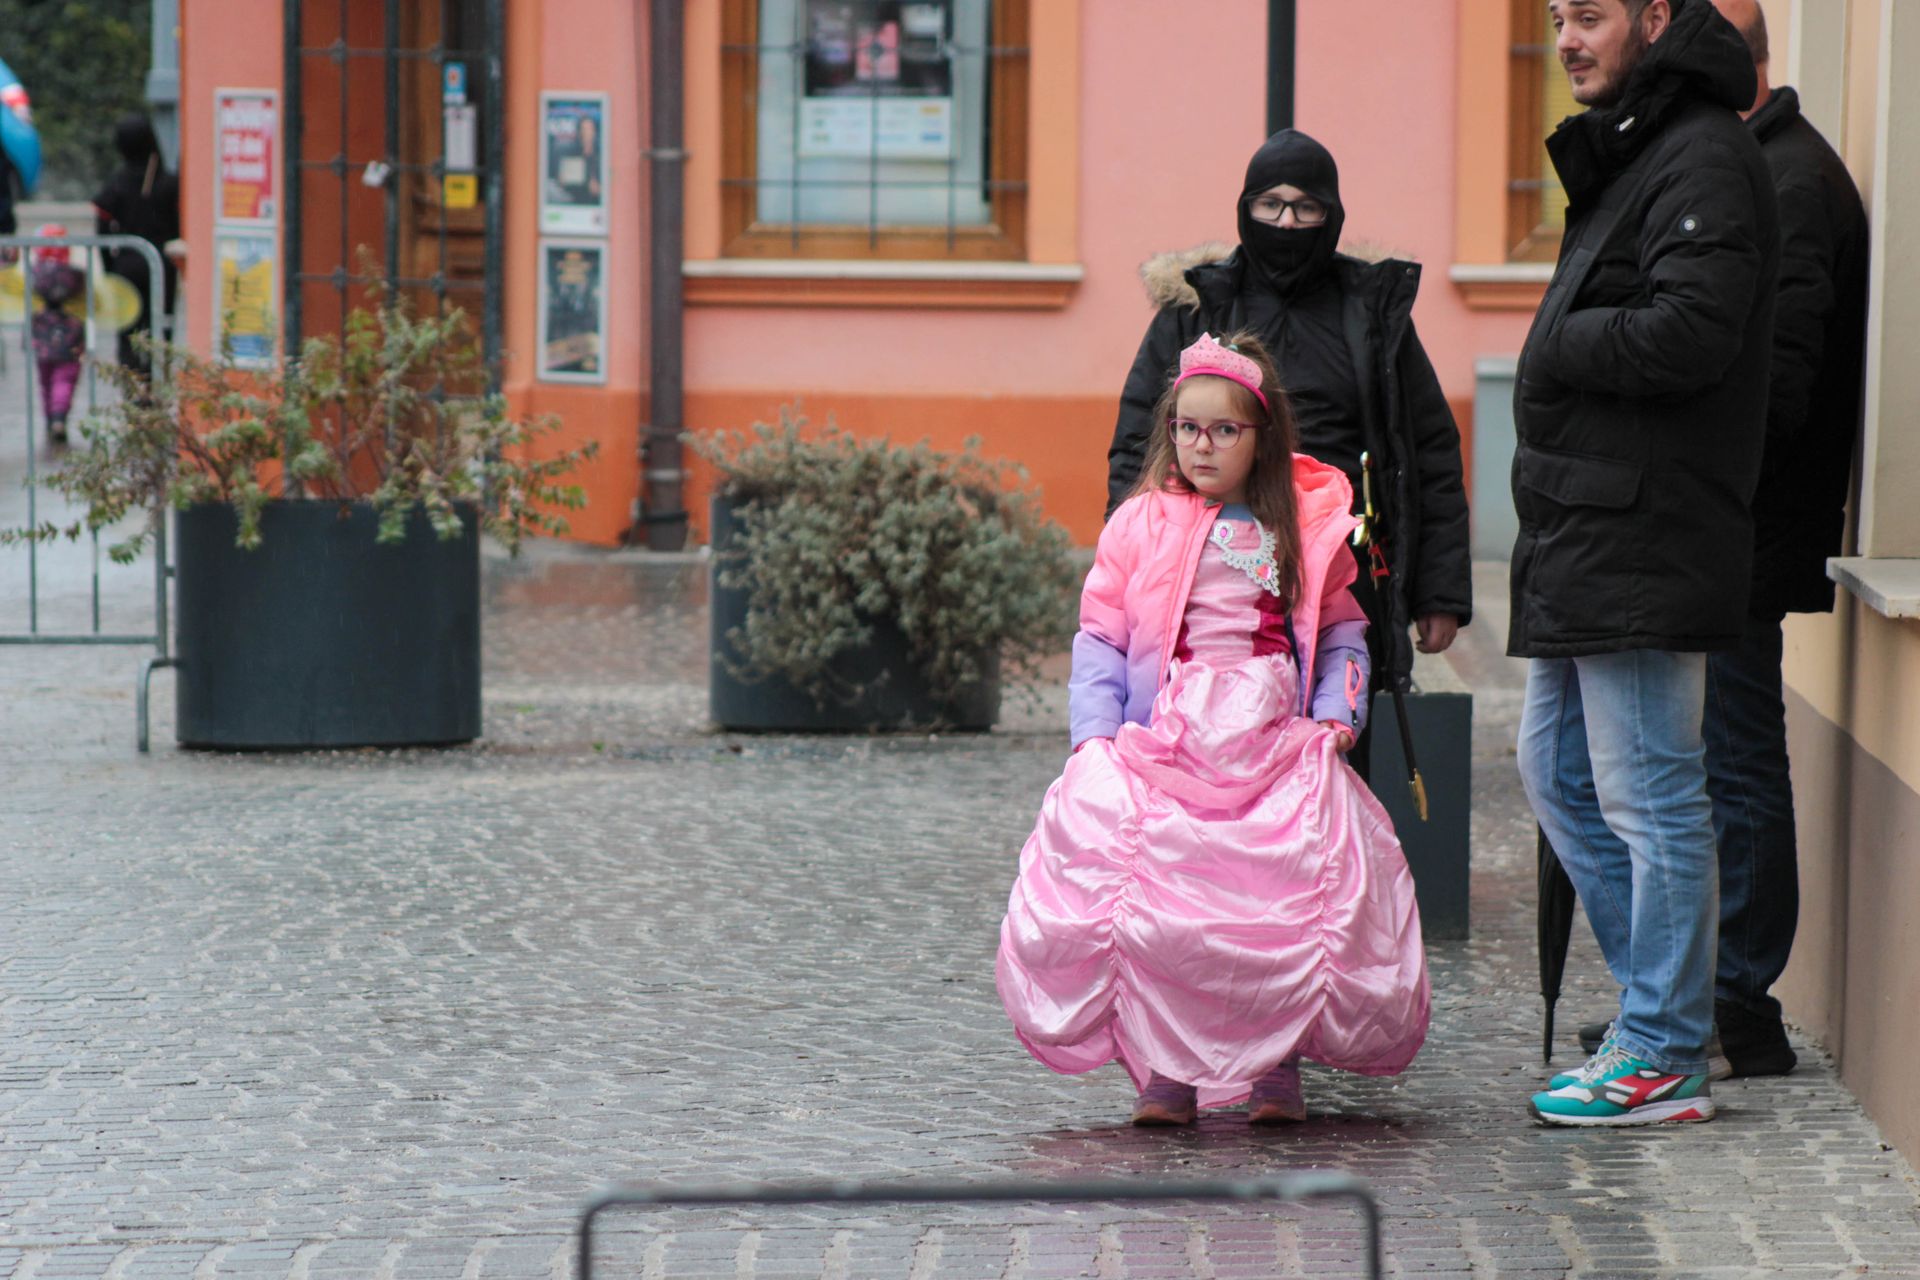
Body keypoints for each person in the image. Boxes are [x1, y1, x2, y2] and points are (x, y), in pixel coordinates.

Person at [998, 332, 1430, 1127]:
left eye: (1224, 430)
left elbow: (1343, 631)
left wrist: (1337, 714)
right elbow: (1102, 638)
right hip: (1171, 735)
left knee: (1278, 901)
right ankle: (1167, 1070)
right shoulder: (1140, 524)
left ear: (1262, 436)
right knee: (1168, 904)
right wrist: (1094, 736)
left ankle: (1275, 1068)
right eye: (1188, 428)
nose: (1202, 445)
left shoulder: (1302, 523)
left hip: (1272, 735)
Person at [1575, 0, 1870, 1082]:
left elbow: (1773, 388)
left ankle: (1733, 1001)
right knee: (1703, 764)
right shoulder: (1764, 163)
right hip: (1727, 521)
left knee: (1732, 765)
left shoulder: (1782, 178)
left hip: (1741, 529)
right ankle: (1695, 993)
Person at [1516, 0, 1780, 1127]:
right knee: (1557, 773)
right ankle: (1658, 1013)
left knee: (1651, 793)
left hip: (1646, 531)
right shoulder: (1641, 144)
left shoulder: (1703, 152)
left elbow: (1689, 332)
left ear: (1656, 16)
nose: (1566, 40)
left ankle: (1666, 1045)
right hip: (1589, 527)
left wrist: (1556, 337)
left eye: (1590, 15)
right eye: (1557, 18)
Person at [1106, 130, 1471, 784]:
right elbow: (1139, 438)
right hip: (1208, 569)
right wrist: (1131, 560)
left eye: (1306, 207)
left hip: (1342, 572)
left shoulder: (1372, 311)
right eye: (1270, 205)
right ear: (1245, 208)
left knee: (1333, 750)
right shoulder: (1197, 307)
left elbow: (1429, 449)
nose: (1287, 222)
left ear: (1332, 213)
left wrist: (1439, 590)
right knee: (1204, 757)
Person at [92, 115, 179, 372]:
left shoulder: (116, 183)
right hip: (162, 266)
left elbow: (102, 230)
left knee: (127, 328)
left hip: (126, 265)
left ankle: (132, 381)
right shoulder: (168, 182)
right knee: (160, 326)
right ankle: (156, 379)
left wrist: (110, 268)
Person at [27, 225, 87, 445]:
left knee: (45, 382)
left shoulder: (34, 275)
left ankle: (49, 419)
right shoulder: (74, 275)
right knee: (65, 379)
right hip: (70, 340)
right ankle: (59, 417)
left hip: (42, 341)